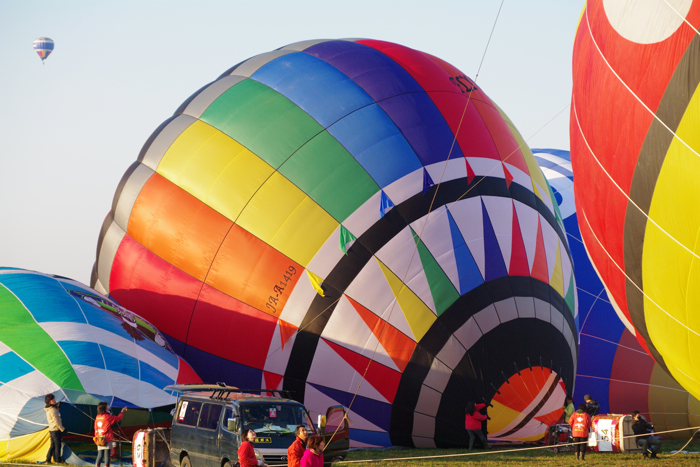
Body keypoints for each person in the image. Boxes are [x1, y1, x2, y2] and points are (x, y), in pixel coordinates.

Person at [94, 402, 127, 467]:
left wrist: (96, 438)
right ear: (105, 408)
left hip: (99, 438)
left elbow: (95, 428)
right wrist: (122, 411)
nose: (108, 407)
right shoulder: (107, 417)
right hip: (107, 439)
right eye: (107, 406)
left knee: (100, 455)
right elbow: (118, 418)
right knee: (107, 455)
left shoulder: (97, 417)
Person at [44, 394, 65, 464]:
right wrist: (62, 429)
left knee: (52, 445)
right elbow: (56, 421)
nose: (54, 400)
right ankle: (58, 460)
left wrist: (57, 407)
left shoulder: (50, 409)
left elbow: (55, 413)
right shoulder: (52, 410)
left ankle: (48, 459)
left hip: (52, 430)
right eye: (53, 399)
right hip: (56, 430)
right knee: (57, 445)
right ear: (49, 401)